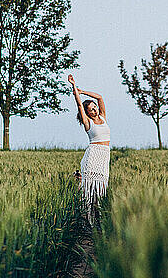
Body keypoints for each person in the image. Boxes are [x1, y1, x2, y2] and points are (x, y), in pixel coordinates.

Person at [68, 74, 111, 226]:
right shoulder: (88, 123)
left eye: (95, 107)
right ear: (87, 113)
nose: (95, 109)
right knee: (89, 189)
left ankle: (98, 219)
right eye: (91, 109)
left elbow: (100, 98)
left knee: (102, 187)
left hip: (104, 157)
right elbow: (80, 106)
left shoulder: (103, 117)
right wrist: (74, 87)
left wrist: (82, 91)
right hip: (93, 156)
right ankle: (88, 220)